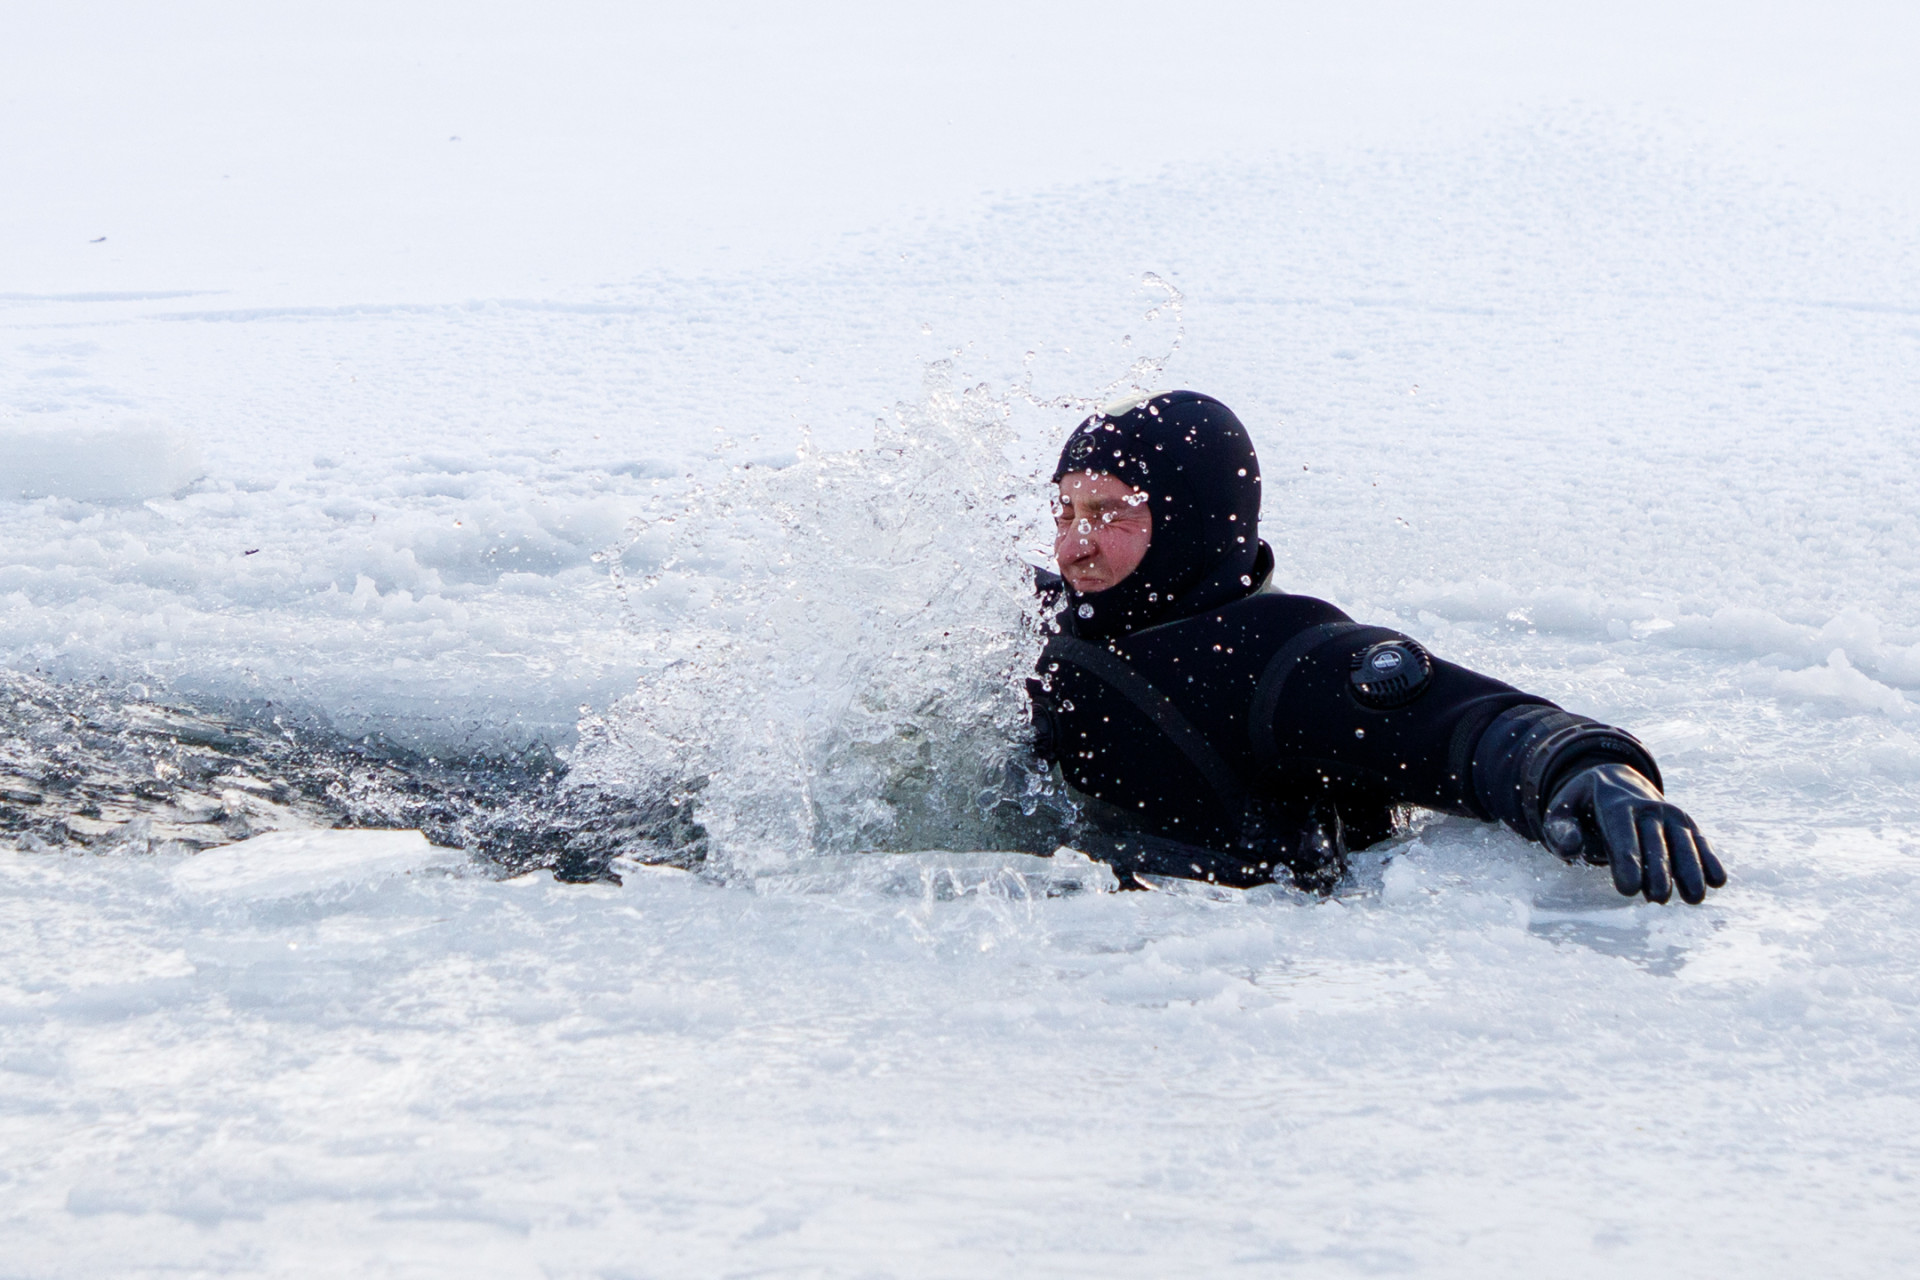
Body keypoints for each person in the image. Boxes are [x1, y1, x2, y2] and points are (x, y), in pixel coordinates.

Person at [1026, 390, 1726, 902]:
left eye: (1109, 513)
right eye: (1066, 511)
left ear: (1195, 521)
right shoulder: (1031, 621)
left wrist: (1581, 766)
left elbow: (1471, 728)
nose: (1075, 543)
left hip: (1205, 962)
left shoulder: (1278, 661)